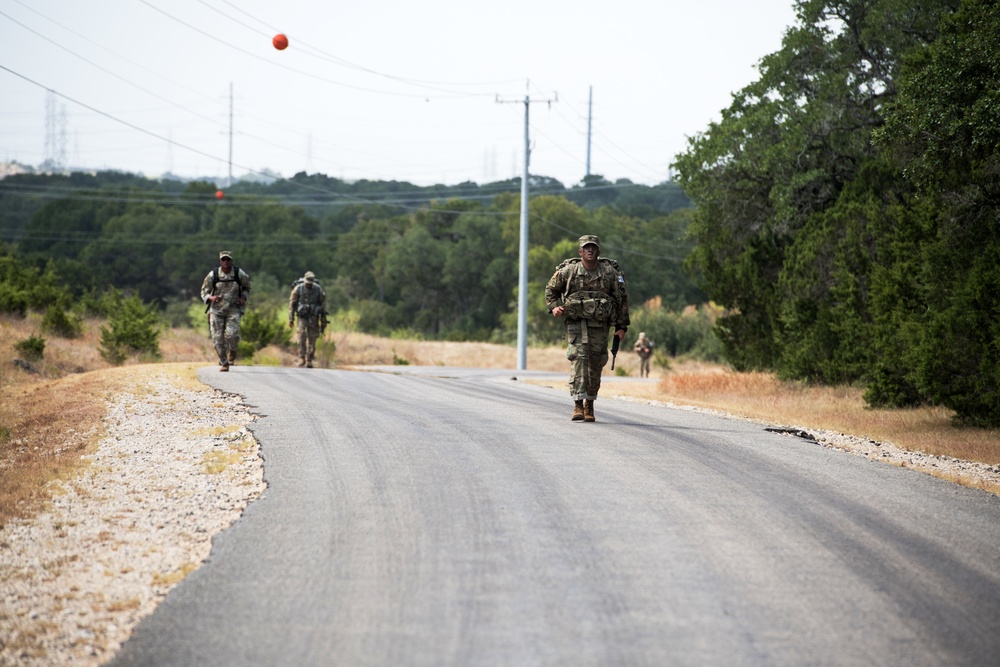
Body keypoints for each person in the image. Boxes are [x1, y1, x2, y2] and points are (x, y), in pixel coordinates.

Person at [545, 235, 630, 422]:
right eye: (586, 248)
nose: (590, 250)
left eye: (593, 248)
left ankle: (589, 405)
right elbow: (551, 291)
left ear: (598, 251)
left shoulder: (609, 274)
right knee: (578, 359)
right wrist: (555, 308)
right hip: (576, 324)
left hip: (600, 325)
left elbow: (621, 300)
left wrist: (621, 327)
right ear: (580, 252)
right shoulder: (568, 272)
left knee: (595, 363)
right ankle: (577, 404)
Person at [200, 250, 251, 372]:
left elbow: (247, 287)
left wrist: (243, 297)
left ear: (231, 261)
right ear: (220, 261)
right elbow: (204, 291)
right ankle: (224, 362)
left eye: (228, 259)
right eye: (223, 260)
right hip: (216, 310)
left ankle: (233, 350)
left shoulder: (239, 273)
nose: (226, 262)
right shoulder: (213, 275)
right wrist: (210, 298)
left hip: (233, 309)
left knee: (231, 335)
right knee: (217, 339)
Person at [288, 271, 327, 368]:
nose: (308, 285)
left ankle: (309, 359)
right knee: (301, 335)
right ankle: (302, 358)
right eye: (307, 283)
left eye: (310, 283)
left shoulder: (318, 290)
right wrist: (291, 318)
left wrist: (323, 320)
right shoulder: (298, 289)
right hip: (302, 316)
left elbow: (323, 305)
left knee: (312, 338)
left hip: (314, 316)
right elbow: (292, 304)